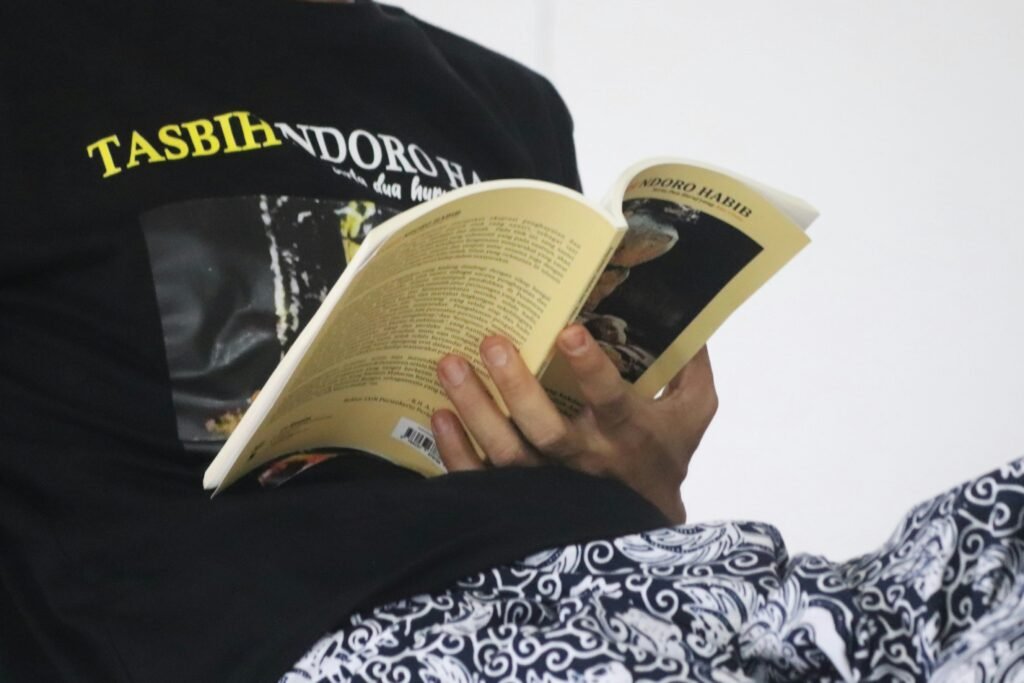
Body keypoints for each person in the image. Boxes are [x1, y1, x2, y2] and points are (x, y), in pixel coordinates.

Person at [0, 2, 713, 680]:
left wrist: (639, 486)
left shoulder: (512, 101)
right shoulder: (36, 50)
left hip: (595, 599)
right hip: (269, 641)